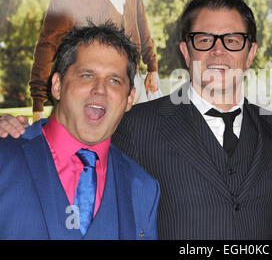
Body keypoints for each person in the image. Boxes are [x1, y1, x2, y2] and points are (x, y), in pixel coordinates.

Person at [0, 0, 272, 239]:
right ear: (185, 51)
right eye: (204, 40)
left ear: (250, 53)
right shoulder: (136, 124)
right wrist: (10, 126)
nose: (218, 52)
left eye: (232, 40)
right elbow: (71, 139)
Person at [0, 22, 160, 239]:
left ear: (129, 99)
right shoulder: (5, 156)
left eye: (114, 80)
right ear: (57, 85)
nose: (100, 89)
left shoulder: (144, 189)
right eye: (87, 75)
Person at [30, 0, 160, 123]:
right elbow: (48, 41)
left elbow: (138, 9)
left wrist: (152, 66)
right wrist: (38, 105)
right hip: (97, 91)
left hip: (134, 81)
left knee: (149, 143)